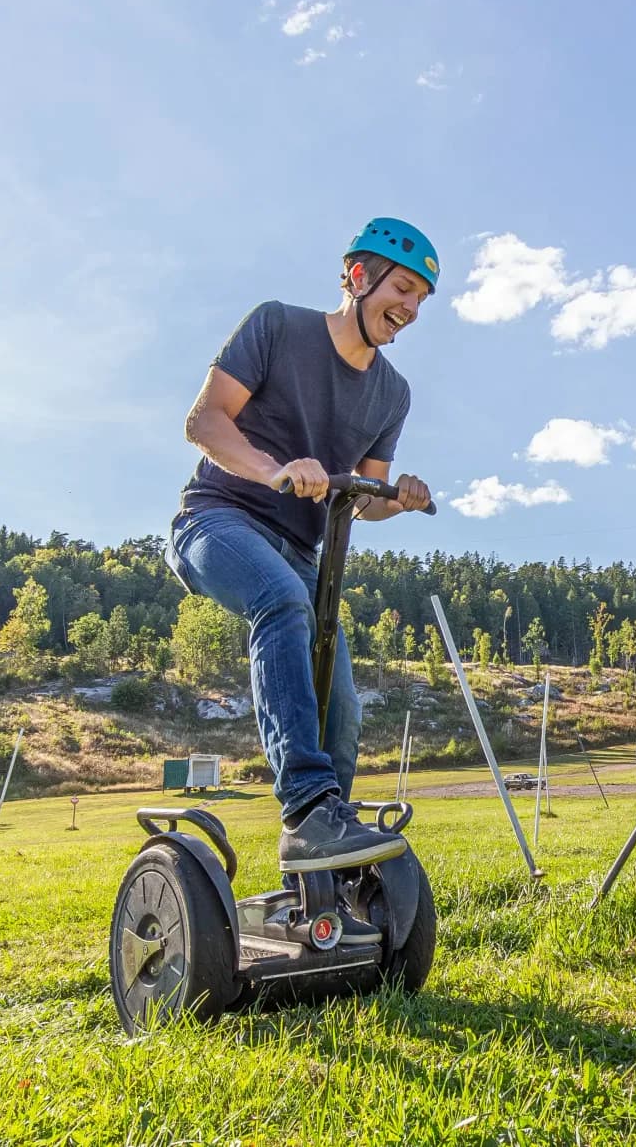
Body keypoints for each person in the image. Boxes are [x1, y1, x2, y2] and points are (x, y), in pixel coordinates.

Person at [167, 218, 437, 877]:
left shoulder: (391, 393)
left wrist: (395, 498)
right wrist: (275, 469)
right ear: (357, 276)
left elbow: (362, 498)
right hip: (218, 518)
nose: (409, 308)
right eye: (402, 287)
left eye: (421, 299)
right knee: (283, 601)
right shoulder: (278, 327)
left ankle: (328, 859)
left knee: (340, 704)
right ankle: (308, 807)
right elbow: (204, 421)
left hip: (301, 552)